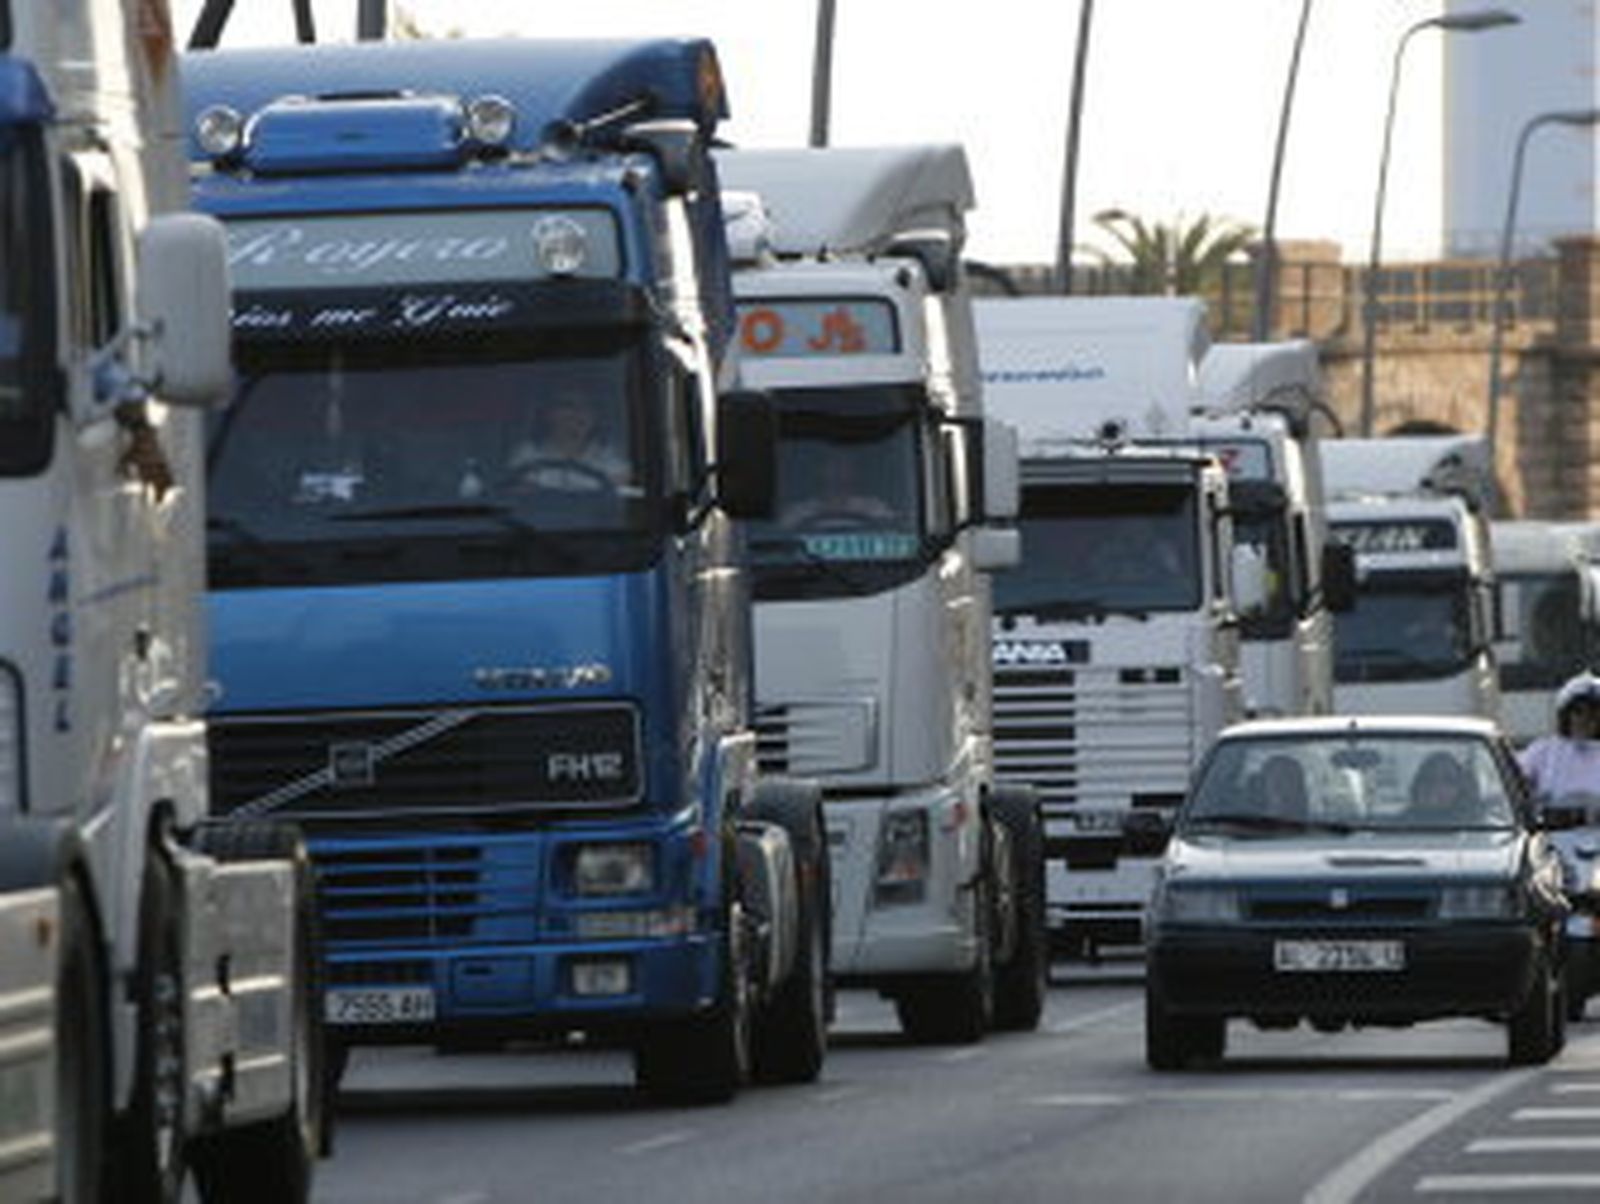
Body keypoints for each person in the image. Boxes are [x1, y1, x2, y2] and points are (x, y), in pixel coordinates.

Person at [506, 389, 629, 493]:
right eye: (568, 406)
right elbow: (522, 501)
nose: (578, 413)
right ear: (548, 414)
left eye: (586, 407)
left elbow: (620, 503)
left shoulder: (613, 459)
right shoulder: (528, 455)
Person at [1518, 670, 1600, 804]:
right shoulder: (1542, 752)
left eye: (1594, 715)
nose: (1585, 720)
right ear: (1565, 716)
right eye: (1578, 712)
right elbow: (1514, 785)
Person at [780, 453, 897, 529]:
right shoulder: (798, 513)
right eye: (832, 463)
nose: (838, 470)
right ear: (819, 470)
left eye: (844, 464)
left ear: (854, 472)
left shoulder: (874, 509)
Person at [1408, 751, 1479, 823]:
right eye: (1429, 779)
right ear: (1418, 786)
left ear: (1461, 789)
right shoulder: (1399, 825)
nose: (1437, 786)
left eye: (1448, 780)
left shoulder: (1473, 825)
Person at [1255, 754, 1309, 823]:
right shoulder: (1244, 822)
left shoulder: (1316, 825)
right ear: (1263, 784)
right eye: (1278, 780)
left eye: (1289, 779)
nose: (1284, 786)